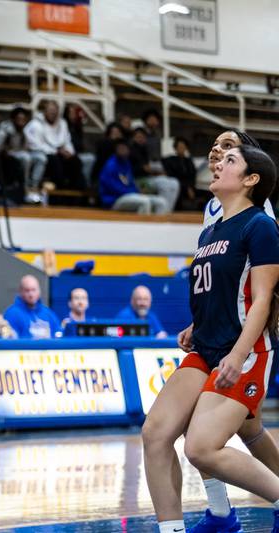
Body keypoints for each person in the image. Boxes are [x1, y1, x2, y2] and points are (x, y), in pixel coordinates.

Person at [142, 144, 279, 533]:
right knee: (155, 433)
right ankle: (173, 530)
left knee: (200, 447)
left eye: (230, 160)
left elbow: (262, 299)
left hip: (245, 349)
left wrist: (237, 355)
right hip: (205, 347)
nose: (218, 163)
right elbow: (217, 290)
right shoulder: (210, 230)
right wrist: (195, 322)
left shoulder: (261, 225)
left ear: (251, 180)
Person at [24, 100, 84, 191]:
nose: (53, 113)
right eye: (50, 110)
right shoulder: (35, 124)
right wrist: (56, 151)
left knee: (76, 161)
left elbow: (67, 140)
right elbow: (36, 144)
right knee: (55, 162)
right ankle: (59, 190)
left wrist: (70, 152)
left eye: (55, 110)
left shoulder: (62, 123)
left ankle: (73, 192)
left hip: (61, 153)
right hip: (45, 154)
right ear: (45, 111)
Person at [99, 139, 169, 214]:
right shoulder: (111, 165)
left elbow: (130, 182)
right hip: (114, 200)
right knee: (144, 202)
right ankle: (142, 225)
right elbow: (113, 188)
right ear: (115, 150)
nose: (122, 150)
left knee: (161, 202)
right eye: (120, 148)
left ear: (128, 150)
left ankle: (159, 224)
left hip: (129, 196)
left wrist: (137, 191)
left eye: (124, 148)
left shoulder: (127, 163)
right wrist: (134, 192)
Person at [0, 107, 47, 204]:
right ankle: (25, 187)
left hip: (20, 153)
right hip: (8, 156)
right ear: (13, 119)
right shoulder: (5, 130)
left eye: (24, 120)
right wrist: (6, 150)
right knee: (26, 157)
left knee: (41, 158)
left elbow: (26, 147)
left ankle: (34, 186)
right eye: (19, 119)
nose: (21, 122)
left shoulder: (24, 130)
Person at [129, 127, 180, 211]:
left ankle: (168, 210)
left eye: (142, 137)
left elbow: (148, 168)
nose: (140, 139)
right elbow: (144, 169)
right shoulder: (131, 150)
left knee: (174, 182)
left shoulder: (145, 150)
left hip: (148, 177)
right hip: (138, 179)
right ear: (133, 138)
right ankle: (163, 211)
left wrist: (155, 171)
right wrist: (151, 170)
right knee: (164, 184)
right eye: (138, 137)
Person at [3, 275, 61, 339]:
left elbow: (58, 335)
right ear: (20, 292)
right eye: (27, 290)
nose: (31, 294)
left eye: (34, 290)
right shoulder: (12, 314)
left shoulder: (48, 313)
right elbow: (9, 340)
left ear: (39, 291)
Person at [162, 136, 199, 211]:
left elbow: (193, 176)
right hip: (178, 186)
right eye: (179, 147)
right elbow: (172, 176)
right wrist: (187, 188)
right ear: (175, 148)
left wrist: (190, 187)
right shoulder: (170, 160)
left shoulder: (189, 161)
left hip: (190, 186)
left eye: (183, 147)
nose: (181, 148)